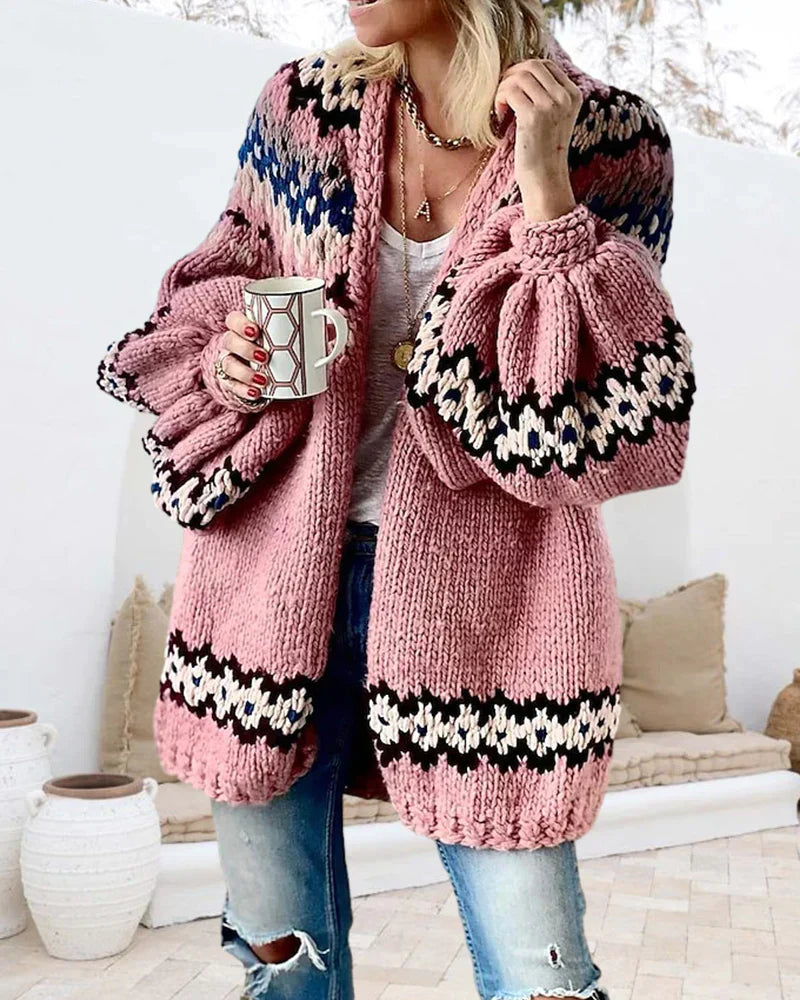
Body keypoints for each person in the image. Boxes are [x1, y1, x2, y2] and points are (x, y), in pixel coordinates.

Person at [96, 1, 696, 997]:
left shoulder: (612, 140)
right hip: (267, 586)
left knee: (539, 974)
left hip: (499, 611)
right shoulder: (304, 108)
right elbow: (215, 287)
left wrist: (548, 194)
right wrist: (226, 362)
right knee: (284, 965)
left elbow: (607, 415)